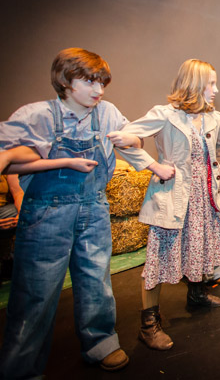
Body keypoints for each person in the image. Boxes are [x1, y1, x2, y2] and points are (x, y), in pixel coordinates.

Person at [0, 48, 132, 376]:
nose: (98, 90)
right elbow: (9, 160)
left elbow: (135, 140)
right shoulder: (37, 115)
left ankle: (101, 343)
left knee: (95, 280)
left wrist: (134, 140)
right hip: (47, 214)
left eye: (102, 82)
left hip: (94, 207)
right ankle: (22, 368)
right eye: (89, 82)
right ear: (65, 80)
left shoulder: (108, 113)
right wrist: (61, 163)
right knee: (36, 291)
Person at [114, 59, 220, 350]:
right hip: (174, 198)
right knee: (158, 260)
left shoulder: (214, 117)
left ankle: (197, 293)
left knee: (200, 248)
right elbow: (125, 139)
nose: (216, 89)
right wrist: (153, 165)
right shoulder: (165, 114)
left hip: (205, 199)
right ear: (194, 84)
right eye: (211, 83)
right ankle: (148, 324)